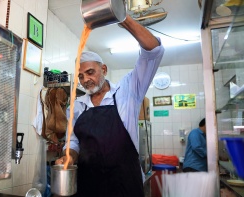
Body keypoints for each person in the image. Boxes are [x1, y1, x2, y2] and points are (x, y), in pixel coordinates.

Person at [55, 14, 164, 197]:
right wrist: (69, 156)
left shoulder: (127, 91)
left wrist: (121, 16)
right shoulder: (77, 106)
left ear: (103, 69)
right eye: (80, 76)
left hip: (125, 184)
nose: (85, 80)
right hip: (88, 185)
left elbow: (154, 51)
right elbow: (73, 142)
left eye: (90, 72)